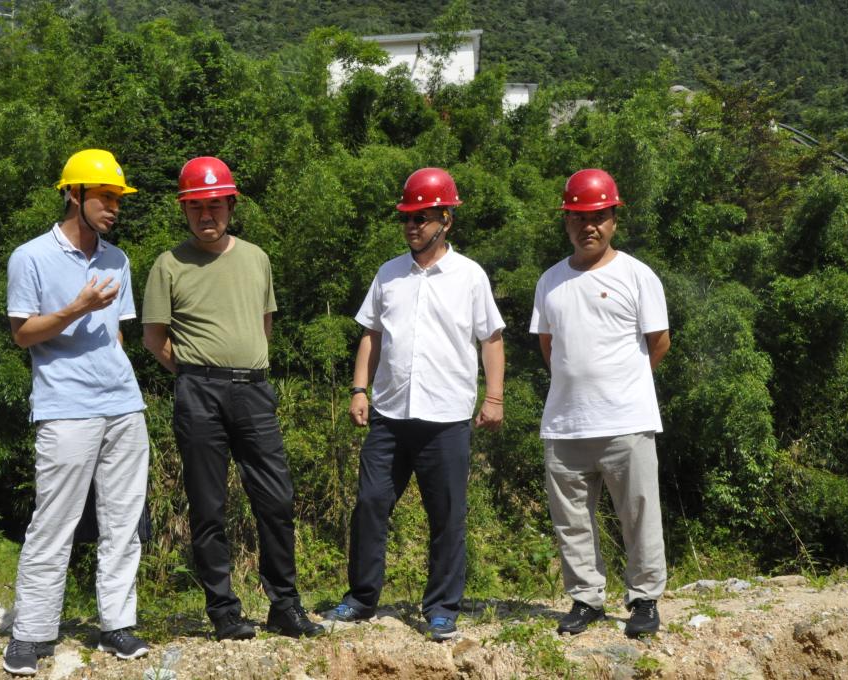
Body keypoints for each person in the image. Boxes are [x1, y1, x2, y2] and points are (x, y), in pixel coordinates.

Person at [141, 156, 323, 641]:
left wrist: (242, 368)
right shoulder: (168, 264)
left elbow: (263, 324)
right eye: (196, 207)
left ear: (231, 206)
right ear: (184, 210)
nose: (207, 216)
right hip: (198, 392)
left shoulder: (257, 258)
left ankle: (284, 606)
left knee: (277, 499)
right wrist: (198, 372)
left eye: (215, 206)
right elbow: (154, 339)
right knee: (208, 506)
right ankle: (223, 612)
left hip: (254, 390)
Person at [324, 167, 506, 642]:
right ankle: (362, 598)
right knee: (370, 504)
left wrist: (494, 396)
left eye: (421, 218)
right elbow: (372, 335)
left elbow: (491, 339)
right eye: (406, 217)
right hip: (389, 415)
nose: (411, 226)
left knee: (446, 515)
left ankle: (442, 607)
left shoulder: (469, 276)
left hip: (446, 418)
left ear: (446, 220)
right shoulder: (389, 274)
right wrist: (358, 389)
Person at [4, 149, 151, 675]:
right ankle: (31, 633)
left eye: (117, 198)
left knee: (124, 523)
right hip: (65, 407)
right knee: (54, 521)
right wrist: (74, 309)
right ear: (74, 194)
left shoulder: (118, 260)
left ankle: (117, 625)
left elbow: (116, 333)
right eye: (105, 197)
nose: (114, 207)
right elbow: (23, 334)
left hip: (124, 404)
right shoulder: (30, 257)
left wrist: (120, 377)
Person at [530, 168, 671, 637]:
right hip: (565, 421)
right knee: (571, 521)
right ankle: (586, 599)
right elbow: (549, 345)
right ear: (566, 221)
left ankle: (644, 600)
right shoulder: (550, 281)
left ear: (613, 219)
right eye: (578, 217)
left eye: (598, 216)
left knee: (639, 514)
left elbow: (659, 341)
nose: (588, 226)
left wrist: (622, 385)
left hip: (626, 421)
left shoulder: (637, 275)